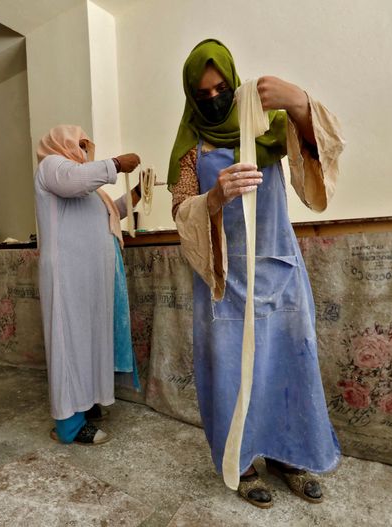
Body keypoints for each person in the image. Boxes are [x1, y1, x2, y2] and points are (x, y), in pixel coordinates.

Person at [169, 40, 345, 507]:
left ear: (233, 80)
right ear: (191, 94)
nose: (213, 98)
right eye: (202, 92)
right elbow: (179, 210)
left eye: (221, 87)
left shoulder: (266, 122)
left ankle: (290, 455)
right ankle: (241, 462)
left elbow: (319, 153)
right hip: (224, 279)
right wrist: (212, 198)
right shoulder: (191, 145)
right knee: (229, 371)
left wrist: (300, 101)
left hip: (278, 268)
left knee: (289, 363)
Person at [35, 124, 141, 445]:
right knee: (69, 342)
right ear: (61, 143)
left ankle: (85, 404)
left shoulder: (90, 188)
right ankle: (68, 425)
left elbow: (111, 214)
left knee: (90, 341)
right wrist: (115, 164)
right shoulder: (52, 166)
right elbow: (73, 181)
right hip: (67, 273)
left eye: (85, 145)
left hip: (90, 275)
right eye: (79, 144)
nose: (84, 150)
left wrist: (137, 192)